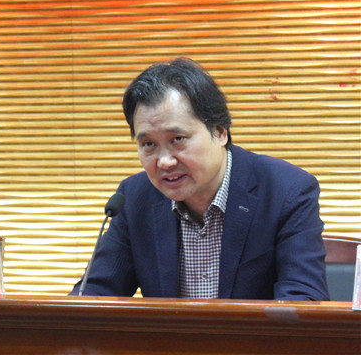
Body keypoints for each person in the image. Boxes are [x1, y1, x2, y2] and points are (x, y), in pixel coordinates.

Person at [71, 57, 329, 300]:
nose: (165, 162)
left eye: (178, 139)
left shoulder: (286, 192)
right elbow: (94, 296)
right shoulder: (134, 198)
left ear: (220, 131)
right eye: (149, 144)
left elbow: (302, 304)